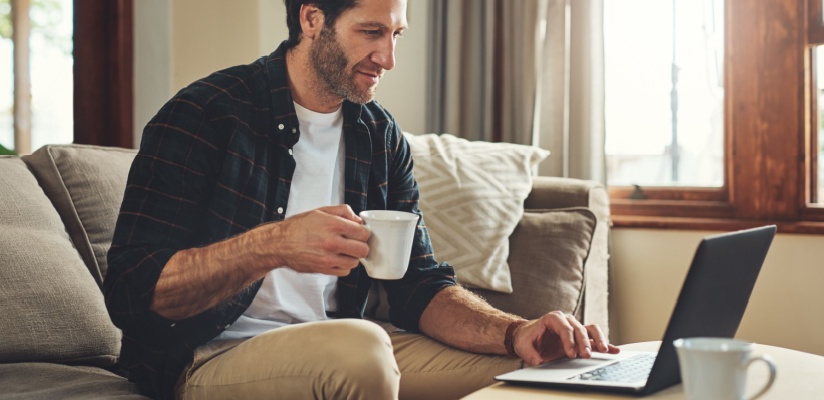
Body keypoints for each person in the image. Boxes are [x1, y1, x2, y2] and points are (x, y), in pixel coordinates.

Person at [104, 0, 619, 399]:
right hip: (208, 356)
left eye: (395, 34)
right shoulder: (204, 114)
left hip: (350, 342)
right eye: (371, 32)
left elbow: (420, 285)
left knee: (547, 372)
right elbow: (132, 291)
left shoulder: (378, 134)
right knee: (361, 346)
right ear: (311, 20)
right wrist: (275, 244)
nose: (388, 58)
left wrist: (518, 332)